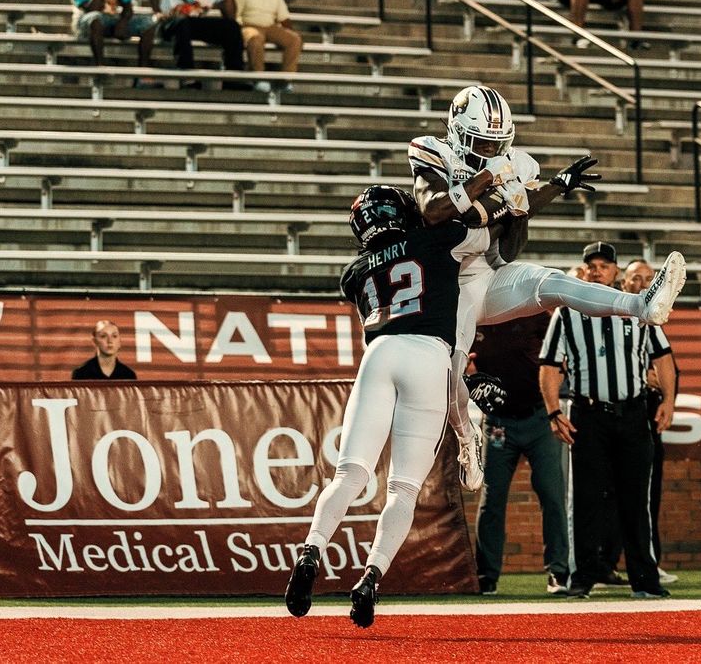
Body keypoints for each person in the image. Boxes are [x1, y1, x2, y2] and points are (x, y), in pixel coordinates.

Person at [408, 85, 687, 491]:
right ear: (458, 131)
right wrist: (492, 184)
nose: (490, 151)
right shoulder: (433, 152)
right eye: (482, 143)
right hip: (449, 283)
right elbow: (434, 211)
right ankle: (467, 440)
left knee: (551, 282)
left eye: (496, 144)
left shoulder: (516, 162)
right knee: (452, 367)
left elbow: (513, 218)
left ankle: (643, 304)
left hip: (490, 268)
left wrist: (554, 186)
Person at [284, 185, 504, 628]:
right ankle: (371, 578)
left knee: (349, 473)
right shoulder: (435, 238)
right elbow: (490, 227)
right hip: (429, 356)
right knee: (403, 489)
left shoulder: (355, 272)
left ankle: (311, 550)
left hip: (379, 353)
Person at [539, 241, 676, 599]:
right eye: (592, 266)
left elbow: (663, 356)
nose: (598, 270)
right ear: (583, 272)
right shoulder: (567, 313)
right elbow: (550, 365)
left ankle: (645, 580)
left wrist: (669, 400)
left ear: (616, 271)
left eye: (605, 265)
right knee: (584, 500)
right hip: (589, 414)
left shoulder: (637, 308)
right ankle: (581, 578)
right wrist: (554, 411)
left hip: (632, 412)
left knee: (636, 500)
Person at [471, 312, 570, 597]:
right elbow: (459, 360)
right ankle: (486, 576)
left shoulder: (533, 313)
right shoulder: (472, 316)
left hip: (539, 417)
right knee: (492, 498)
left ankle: (558, 571)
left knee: (552, 494)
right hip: (498, 421)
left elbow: (560, 353)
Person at [623, 257, 679, 585]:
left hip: (646, 417)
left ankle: (648, 562)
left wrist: (668, 398)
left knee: (646, 495)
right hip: (613, 414)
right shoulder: (614, 312)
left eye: (648, 278)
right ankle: (602, 564)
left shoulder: (653, 325)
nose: (642, 284)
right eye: (635, 278)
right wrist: (638, 376)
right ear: (623, 281)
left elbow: (668, 368)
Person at [147, 0, 245, 85]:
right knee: (182, 22)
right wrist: (157, 12)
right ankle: (187, 74)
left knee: (232, 27)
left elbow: (230, 15)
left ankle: (234, 78)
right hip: (171, 21)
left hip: (194, 23)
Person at [234, 0, 303, 92]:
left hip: (270, 26)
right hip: (248, 25)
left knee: (294, 40)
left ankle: (286, 80)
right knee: (255, 38)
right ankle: (259, 78)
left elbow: (283, 18)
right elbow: (234, 14)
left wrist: (292, 33)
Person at [71, 320, 137, 380]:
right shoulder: (81, 373)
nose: (110, 341)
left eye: (114, 336)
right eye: (103, 336)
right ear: (94, 341)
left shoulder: (128, 375)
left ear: (120, 342)